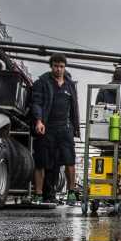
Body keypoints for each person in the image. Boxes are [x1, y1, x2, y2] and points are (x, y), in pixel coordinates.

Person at [31, 53, 80, 205]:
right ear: (51, 66)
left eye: (61, 66)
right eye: (56, 66)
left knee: (69, 161)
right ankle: (38, 194)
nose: (59, 69)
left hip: (65, 129)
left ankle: (71, 192)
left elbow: (74, 108)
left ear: (65, 67)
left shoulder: (70, 85)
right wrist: (39, 121)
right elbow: (36, 102)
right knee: (42, 162)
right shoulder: (42, 82)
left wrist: (74, 128)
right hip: (47, 128)